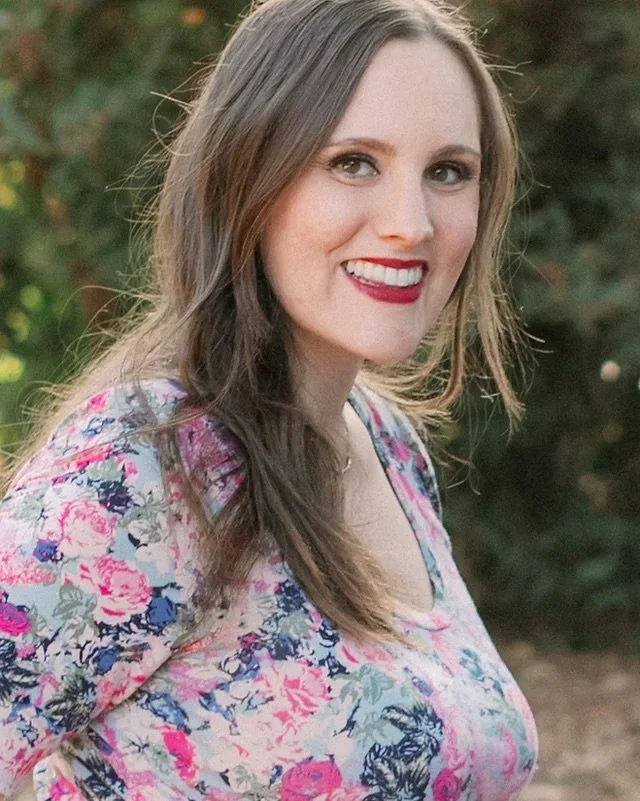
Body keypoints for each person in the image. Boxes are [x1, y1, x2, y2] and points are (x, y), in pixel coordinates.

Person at [0, 0, 539, 798]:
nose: (410, 223)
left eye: (448, 171)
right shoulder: (149, 463)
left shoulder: (384, 442)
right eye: (353, 161)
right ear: (247, 176)